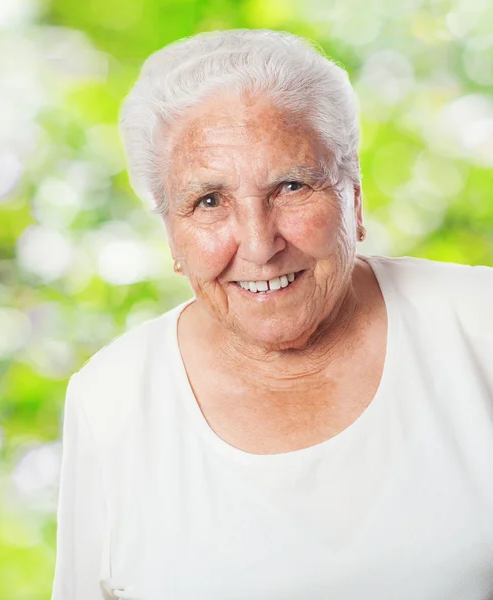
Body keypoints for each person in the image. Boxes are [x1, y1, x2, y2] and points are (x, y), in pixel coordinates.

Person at [51, 29, 493, 600]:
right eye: (209, 201)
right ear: (172, 236)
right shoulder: (110, 401)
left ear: (353, 198)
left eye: (290, 186)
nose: (260, 245)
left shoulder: (480, 322)